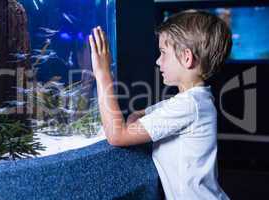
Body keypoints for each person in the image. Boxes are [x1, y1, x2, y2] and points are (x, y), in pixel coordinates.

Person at [88, 10, 232, 200]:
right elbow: (135, 118)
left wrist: (102, 74)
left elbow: (117, 135)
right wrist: (132, 127)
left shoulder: (188, 106)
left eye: (163, 53)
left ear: (187, 58)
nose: (158, 60)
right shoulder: (192, 101)